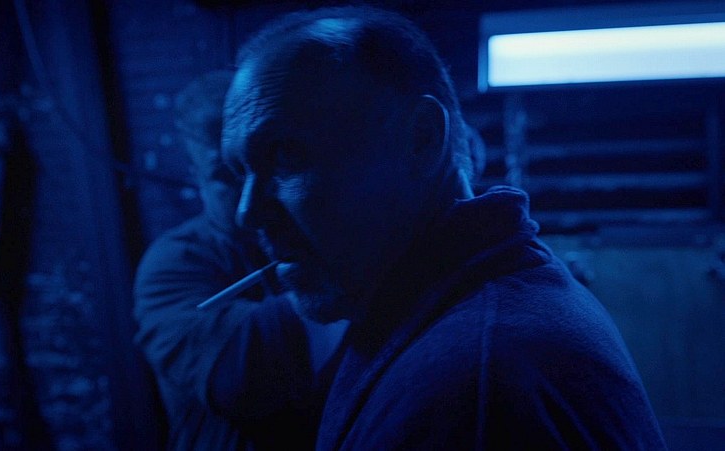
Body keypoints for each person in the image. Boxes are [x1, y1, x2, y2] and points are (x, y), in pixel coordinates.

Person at [221, 6, 667, 450]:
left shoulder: (471, 389)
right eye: (241, 171)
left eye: (286, 154)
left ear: (422, 139)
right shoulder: (465, 304)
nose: (248, 213)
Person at [133, 70, 346, 450]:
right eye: (226, 173)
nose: (251, 195)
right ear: (196, 175)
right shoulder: (173, 264)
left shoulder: (312, 232)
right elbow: (246, 371)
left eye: (262, 164)